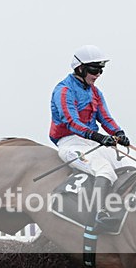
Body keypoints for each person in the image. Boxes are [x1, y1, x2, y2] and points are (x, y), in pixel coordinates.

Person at [50, 45, 130, 231]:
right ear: (80, 68)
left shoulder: (95, 92)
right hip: (70, 142)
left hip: (93, 142)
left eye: (101, 69)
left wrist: (118, 133)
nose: (99, 73)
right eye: (95, 69)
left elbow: (105, 118)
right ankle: (98, 214)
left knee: (129, 168)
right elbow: (71, 122)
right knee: (105, 170)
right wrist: (97, 136)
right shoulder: (63, 90)